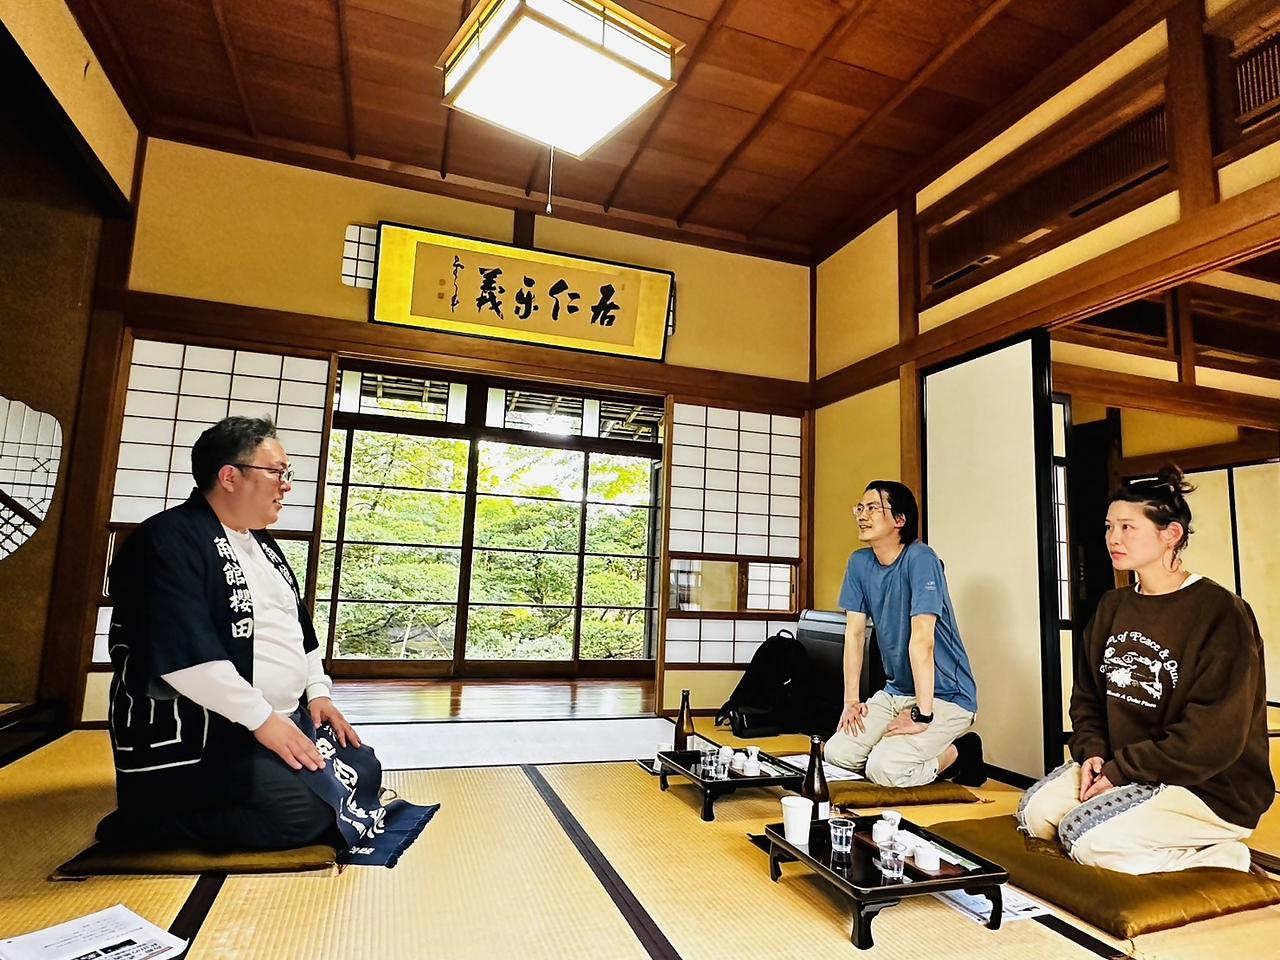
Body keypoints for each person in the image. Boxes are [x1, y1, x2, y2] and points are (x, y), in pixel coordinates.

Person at [97, 416, 360, 852]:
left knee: (361, 768)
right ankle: (143, 824)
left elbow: (298, 631)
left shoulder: (261, 543)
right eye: (277, 472)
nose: (286, 485)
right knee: (304, 815)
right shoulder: (165, 540)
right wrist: (261, 719)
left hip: (275, 720)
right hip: (207, 733)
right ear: (230, 476)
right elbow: (183, 654)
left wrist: (318, 694)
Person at [1017, 465, 1272, 874]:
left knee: (1084, 838)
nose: (1112, 538)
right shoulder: (1112, 607)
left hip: (1207, 786)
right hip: (1129, 769)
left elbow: (1212, 738)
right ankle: (1141, 828)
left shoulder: (1221, 613)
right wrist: (1094, 755)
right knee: (1038, 814)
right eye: (1108, 527)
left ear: (1170, 534)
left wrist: (1122, 771)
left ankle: (1221, 855)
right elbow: (1086, 700)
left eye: (1127, 527)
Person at [824, 481, 984, 787]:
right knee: (837, 754)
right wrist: (851, 702)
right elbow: (855, 635)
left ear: (900, 520)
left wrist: (922, 716)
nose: (862, 515)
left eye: (873, 508)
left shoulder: (921, 559)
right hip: (896, 692)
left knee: (885, 770)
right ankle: (887, 750)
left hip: (946, 697)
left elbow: (923, 641)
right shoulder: (859, 563)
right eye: (860, 508)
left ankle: (960, 754)